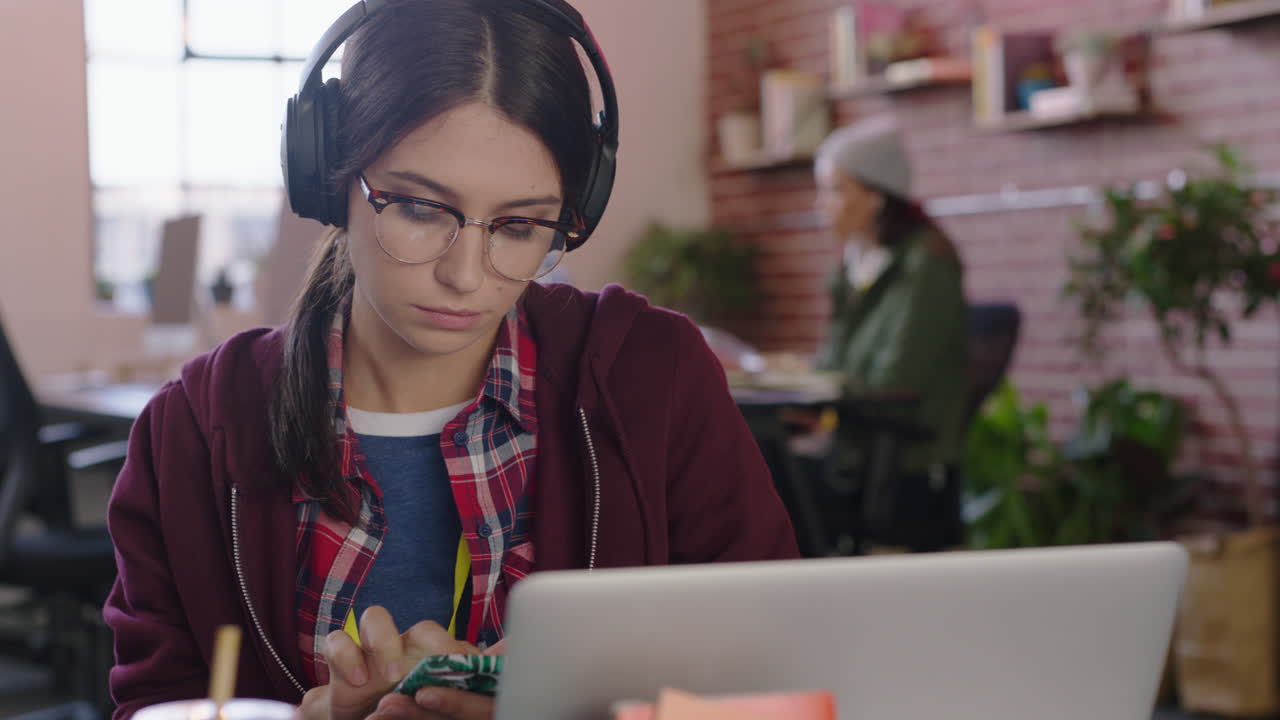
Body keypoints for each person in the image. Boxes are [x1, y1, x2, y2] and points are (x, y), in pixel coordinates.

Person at [102, 1, 799, 719]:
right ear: (326, 177)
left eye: (520, 225)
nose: (467, 275)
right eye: (421, 209)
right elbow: (157, 703)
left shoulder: (653, 376)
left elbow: (776, 671)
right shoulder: (189, 431)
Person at [807, 116, 968, 553]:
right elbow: (832, 361)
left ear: (876, 196)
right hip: (853, 450)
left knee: (782, 486)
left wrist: (824, 391)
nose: (822, 205)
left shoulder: (926, 265)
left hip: (904, 464)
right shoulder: (854, 264)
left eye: (836, 190)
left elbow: (896, 381)